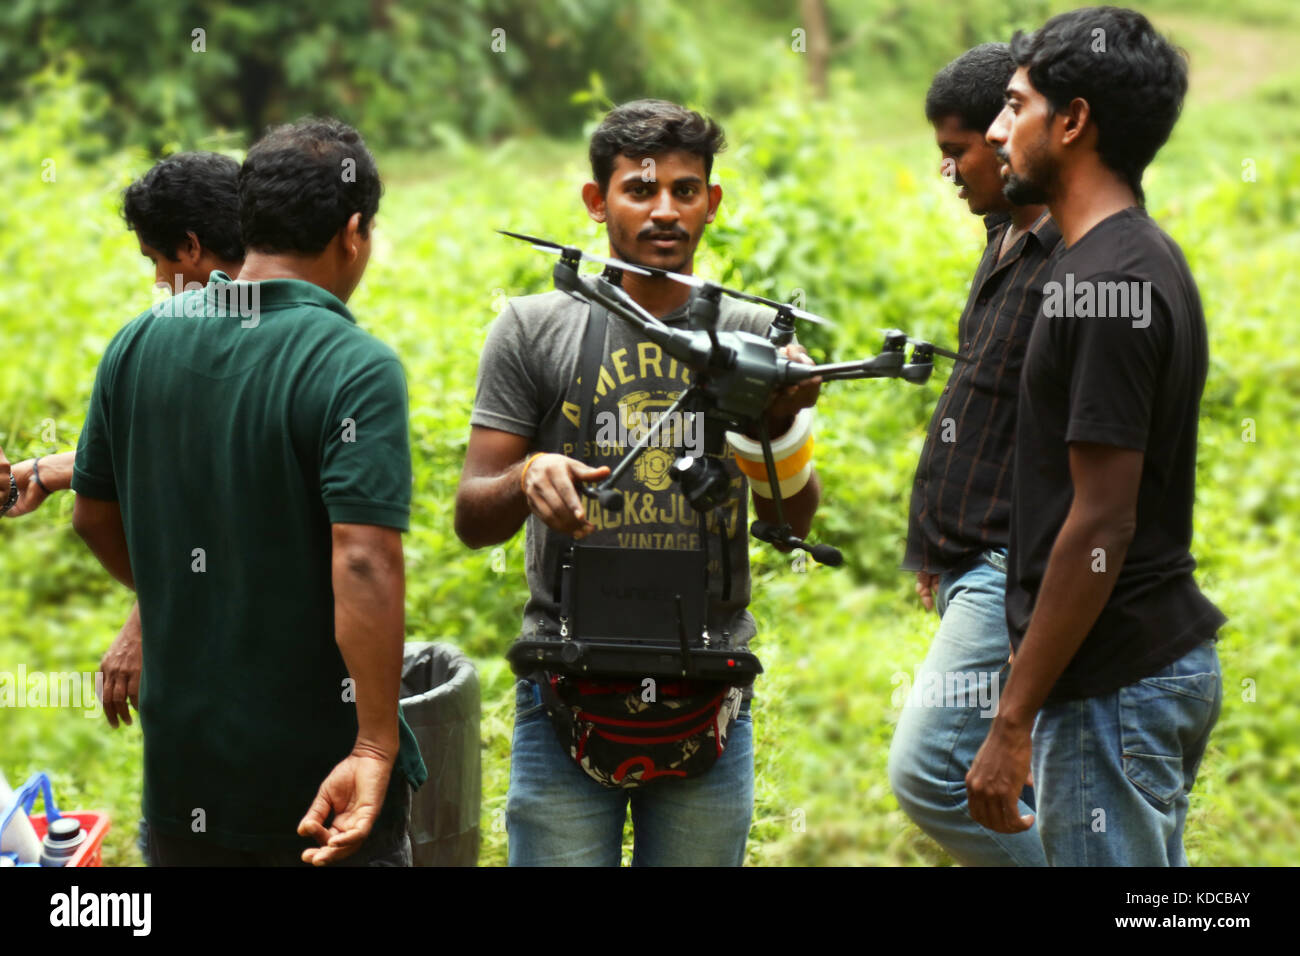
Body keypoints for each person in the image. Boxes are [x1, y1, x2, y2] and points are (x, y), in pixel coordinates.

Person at [455, 99, 822, 866]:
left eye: (686, 191)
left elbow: (793, 520)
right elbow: (471, 517)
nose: (665, 211)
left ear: (711, 203)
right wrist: (529, 476)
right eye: (640, 190)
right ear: (597, 203)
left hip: (710, 686)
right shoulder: (532, 328)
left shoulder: (752, 339)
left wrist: (780, 424)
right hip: (565, 681)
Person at [71, 117, 426, 866]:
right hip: (317, 787)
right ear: (354, 231)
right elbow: (362, 561)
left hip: (184, 780)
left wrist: (181, 595)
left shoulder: (140, 341)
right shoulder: (354, 364)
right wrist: (374, 742)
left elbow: (93, 515)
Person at [971, 6, 1225, 866]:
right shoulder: (1125, 260)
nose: (999, 130)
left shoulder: (1105, 283)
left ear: (1073, 120)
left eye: (1016, 105)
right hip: (1134, 675)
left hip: (1114, 683)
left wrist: (1014, 718)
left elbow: (1102, 520)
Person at [2, 152, 246, 865]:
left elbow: (218, 498)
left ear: (193, 249)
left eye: (154, 261)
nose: (155, 284)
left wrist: (146, 616)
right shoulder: (301, 327)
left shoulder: (177, 343)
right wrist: (53, 471)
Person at [888, 43, 1060, 867]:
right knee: (1031, 780)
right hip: (973, 559)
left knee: (928, 768)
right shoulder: (1004, 238)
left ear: (1007, 135)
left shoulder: (1072, 258)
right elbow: (987, 413)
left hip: (1011, 566)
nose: (950, 171)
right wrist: (938, 548)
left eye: (956, 152)